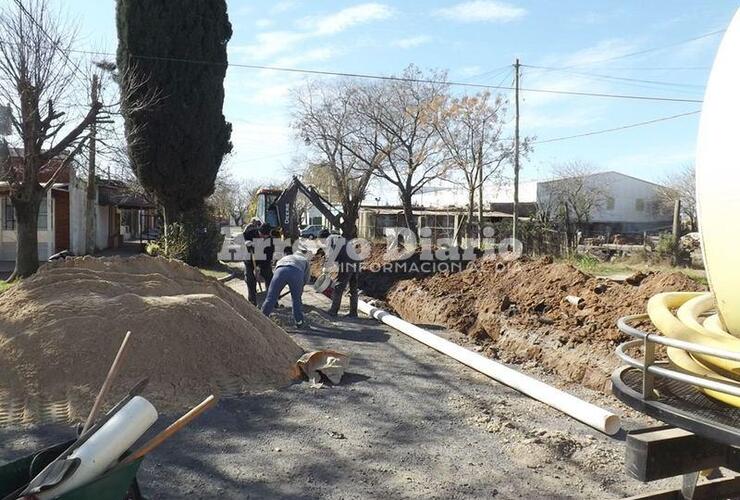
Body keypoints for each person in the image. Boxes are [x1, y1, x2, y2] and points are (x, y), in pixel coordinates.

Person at [261, 246, 311, 327]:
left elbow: (276, 271)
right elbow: (306, 278)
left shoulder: (283, 258)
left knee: (271, 297)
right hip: (296, 273)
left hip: (280, 271)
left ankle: (261, 317)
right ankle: (299, 322)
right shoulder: (304, 260)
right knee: (296, 299)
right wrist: (299, 287)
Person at [319, 229, 360, 317]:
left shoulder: (329, 239)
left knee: (339, 287)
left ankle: (333, 311)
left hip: (347, 264)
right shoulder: (340, 238)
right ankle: (353, 313)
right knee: (353, 288)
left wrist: (325, 269)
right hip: (356, 262)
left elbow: (330, 256)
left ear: (323, 238)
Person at [243, 220, 275, 306]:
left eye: (266, 236)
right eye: (262, 235)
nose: (263, 238)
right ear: (258, 231)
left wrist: (259, 268)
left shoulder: (271, 241)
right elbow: (241, 238)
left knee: (270, 277)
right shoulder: (250, 233)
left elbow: (268, 257)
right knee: (250, 279)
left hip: (263, 261)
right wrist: (246, 243)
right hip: (249, 260)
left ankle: (271, 300)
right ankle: (252, 301)